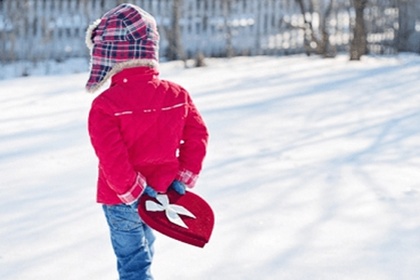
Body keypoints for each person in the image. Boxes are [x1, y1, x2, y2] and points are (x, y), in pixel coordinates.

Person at [85, 4, 209, 280]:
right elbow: (198, 136)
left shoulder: (105, 105)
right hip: (160, 193)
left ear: (109, 55)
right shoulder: (177, 95)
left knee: (133, 263)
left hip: (120, 198)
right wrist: (181, 179)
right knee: (145, 251)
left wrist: (133, 190)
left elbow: (111, 157)